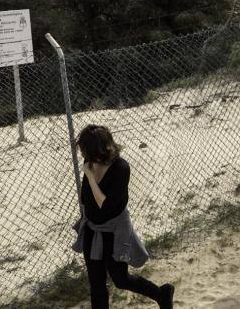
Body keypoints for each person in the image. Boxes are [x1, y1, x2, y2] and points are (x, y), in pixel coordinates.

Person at [72, 125, 174, 309]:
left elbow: (105, 204)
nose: (83, 155)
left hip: (114, 230)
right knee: (96, 284)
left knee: (121, 279)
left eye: (85, 150)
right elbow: (85, 199)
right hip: (93, 230)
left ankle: (161, 293)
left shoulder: (121, 168)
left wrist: (90, 176)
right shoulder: (90, 161)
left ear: (99, 149)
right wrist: (89, 175)